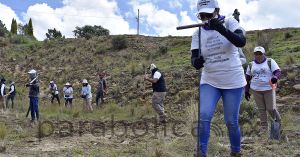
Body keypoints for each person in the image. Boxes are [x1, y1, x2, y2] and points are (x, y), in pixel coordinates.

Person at [191, 0, 246, 156]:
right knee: (204, 115)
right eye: (202, 16)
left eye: (209, 14)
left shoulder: (230, 22)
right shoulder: (198, 33)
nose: (206, 18)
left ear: (217, 10)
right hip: (210, 81)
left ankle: (236, 152)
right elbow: (194, 59)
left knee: (231, 121)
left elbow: (241, 41)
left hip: (233, 80)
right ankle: (201, 153)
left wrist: (221, 29)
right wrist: (196, 62)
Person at [245, 46, 281, 133]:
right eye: (256, 53)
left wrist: (275, 77)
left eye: (260, 53)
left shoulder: (270, 61)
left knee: (271, 108)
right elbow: (247, 78)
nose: (258, 55)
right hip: (256, 90)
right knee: (261, 110)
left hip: (268, 89)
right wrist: (246, 91)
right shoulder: (251, 64)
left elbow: (278, 71)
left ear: (263, 54)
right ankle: (264, 129)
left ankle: (277, 125)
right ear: (254, 54)